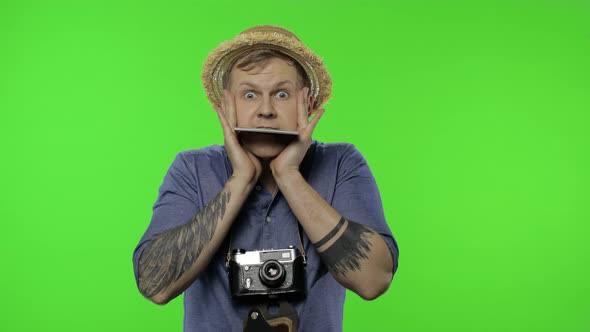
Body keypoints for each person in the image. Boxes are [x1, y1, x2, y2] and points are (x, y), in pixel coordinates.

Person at [132, 25, 399, 331]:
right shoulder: (192, 169)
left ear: (308, 104)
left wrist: (289, 176)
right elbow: (154, 285)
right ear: (228, 106)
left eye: (281, 94)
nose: (266, 111)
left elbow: (374, 280)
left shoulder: (341, 163)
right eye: (250, 95)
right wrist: (241, 180)